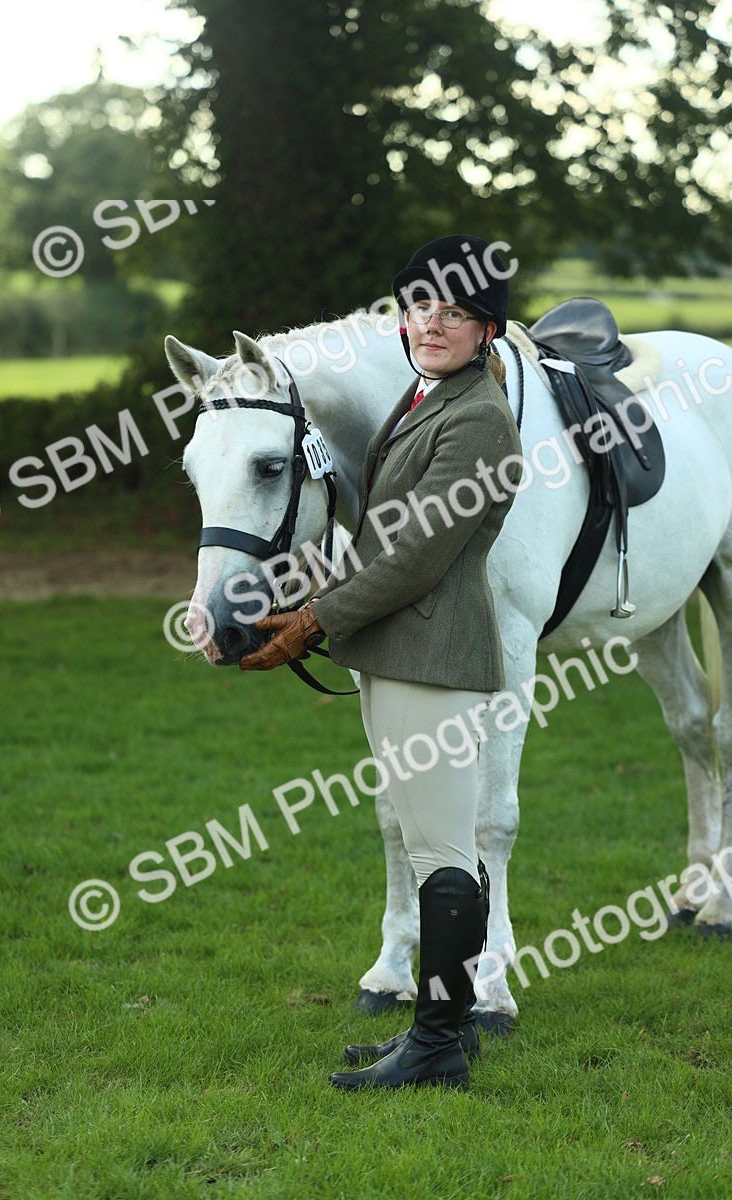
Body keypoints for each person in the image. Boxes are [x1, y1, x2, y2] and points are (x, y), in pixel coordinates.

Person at [240, 235, 523, 1090]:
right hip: (400, 651)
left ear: (487, 331)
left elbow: (412, 558)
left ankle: (436, 1044)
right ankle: (444, 1029)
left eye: (456, 313)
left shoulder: (477, 419)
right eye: (420, 307)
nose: (432, 324)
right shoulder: (423, 398)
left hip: (433, 651)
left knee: (440, 852)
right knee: (438, 844)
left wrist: (310, 623)